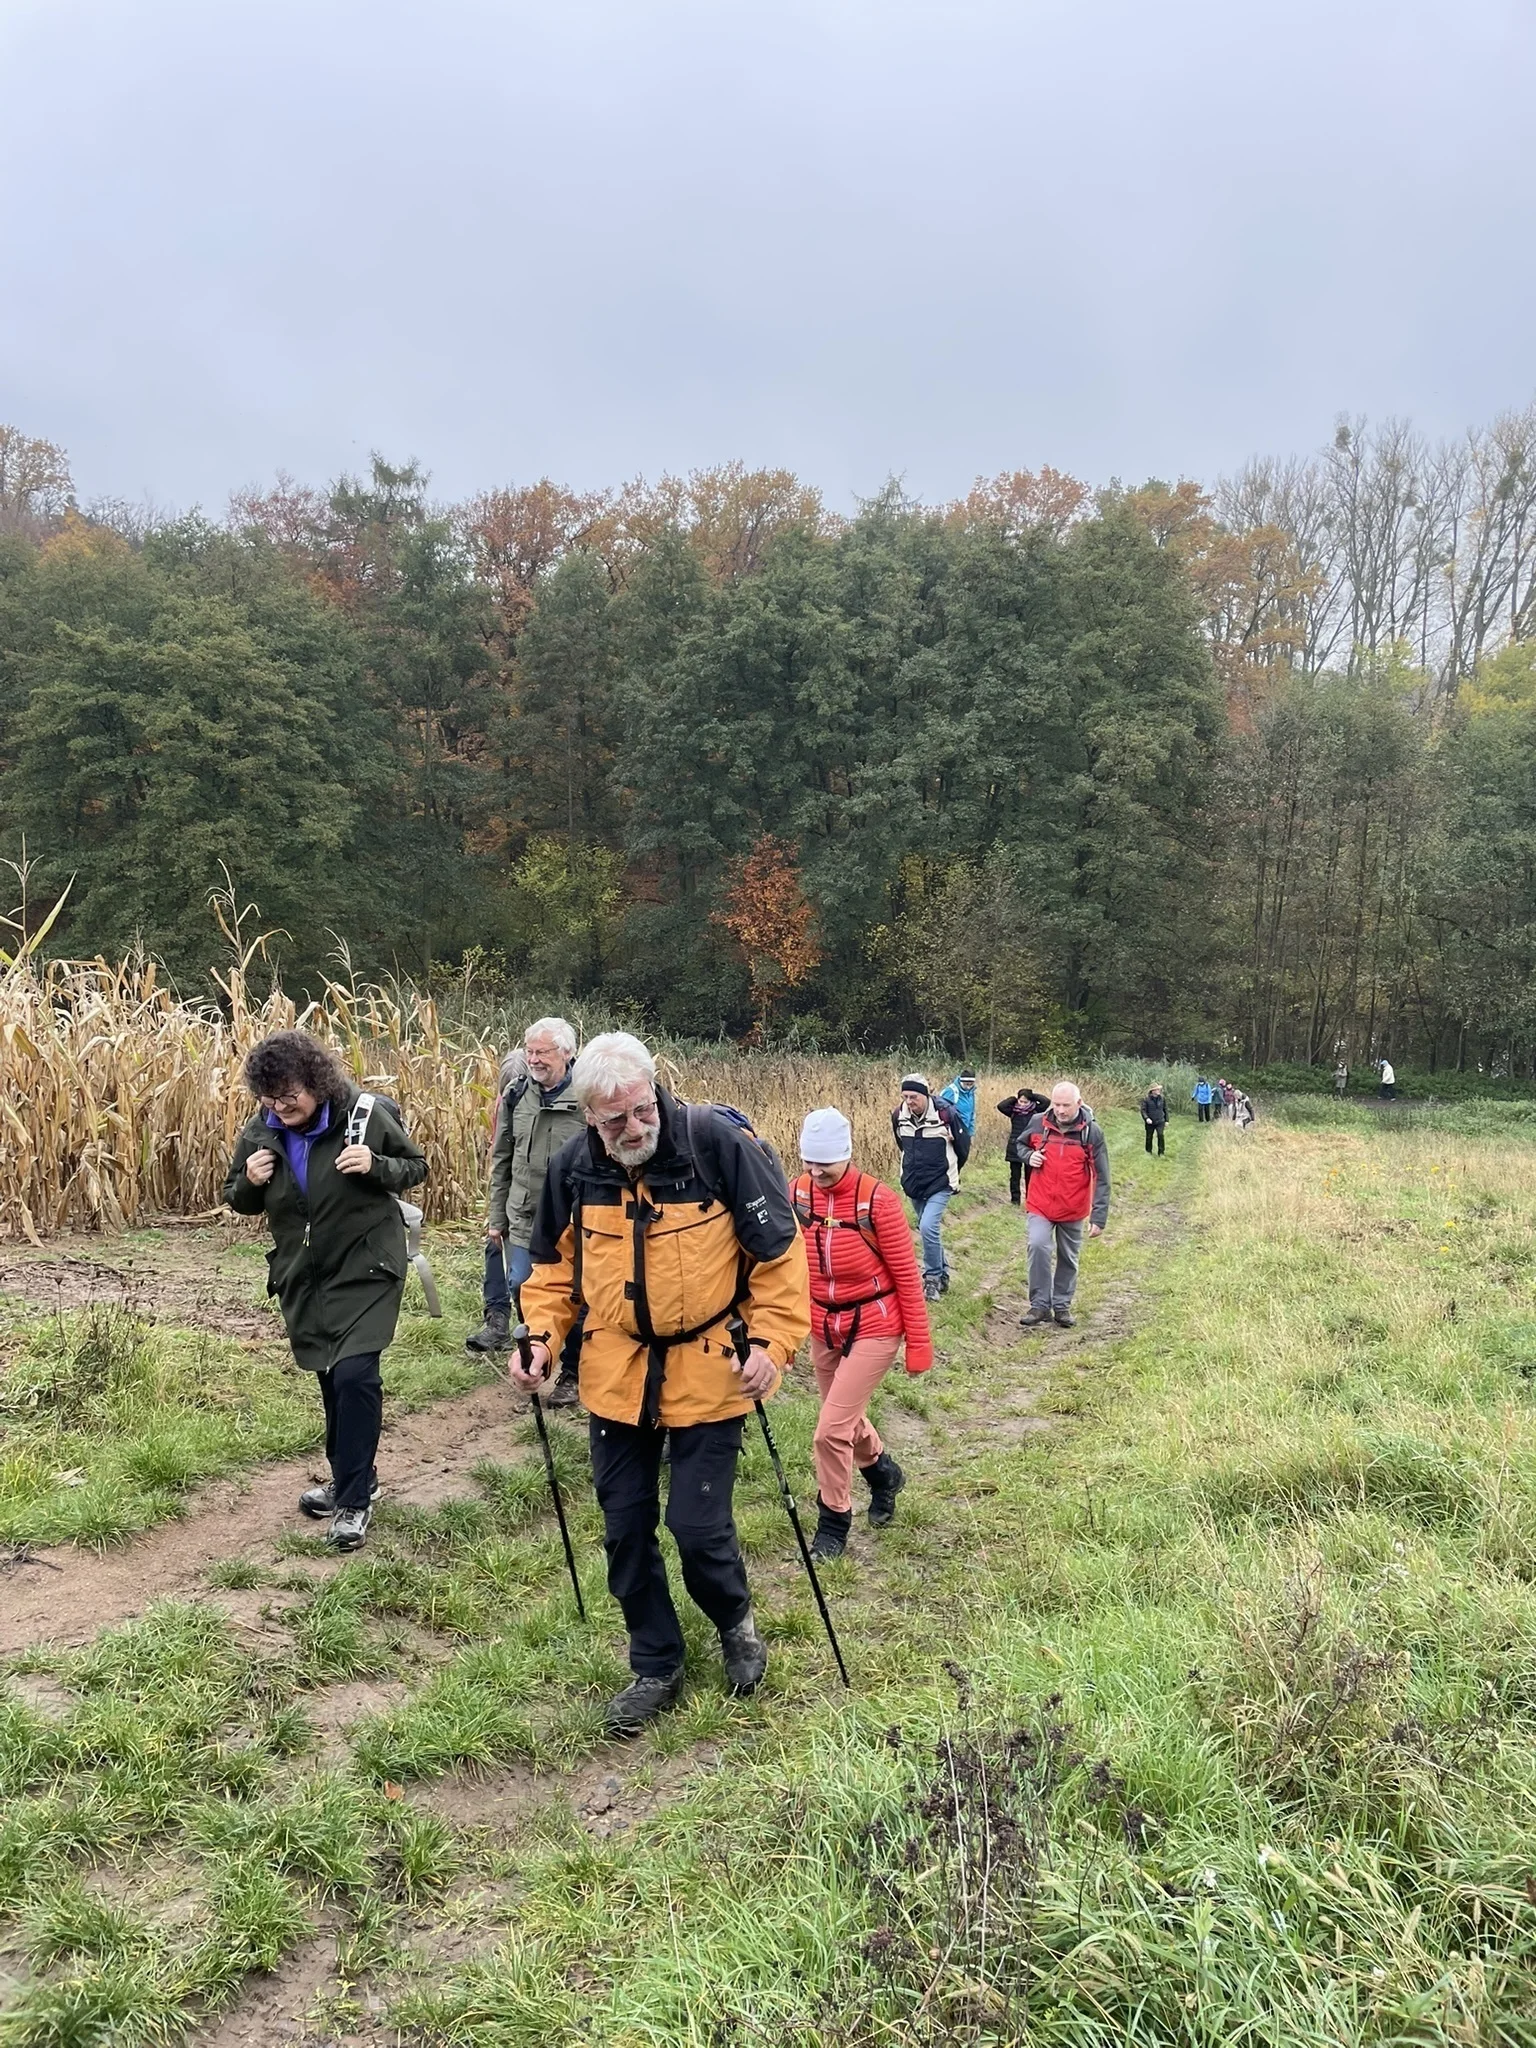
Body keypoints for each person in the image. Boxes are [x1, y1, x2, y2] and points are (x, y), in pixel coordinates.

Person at [511, 1032, 810, 1735]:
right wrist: (541, 1340)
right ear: (588, 1117)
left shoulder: (717, 1147)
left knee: (697, 1528)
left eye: (642, 1110)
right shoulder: (574, 1171)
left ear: (655, 1089)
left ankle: (735, 1622)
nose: (634, 1129)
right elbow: (552, 1274)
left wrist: (772, 1343)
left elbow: (779, 1262)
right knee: (624, 1529)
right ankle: (656, 1660)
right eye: (614, 1121)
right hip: (615, 1372)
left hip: (712, 1367)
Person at [223, 1029, 428, 1552]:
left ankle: (354, 1502)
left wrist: (375, 1166)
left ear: (316, 1083)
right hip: (304, 1275)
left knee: (357, 1374)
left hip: (366, 1268)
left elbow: (417, 1167)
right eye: (269, 1098)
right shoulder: (260, 1132)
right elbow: (238, 1199)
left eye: (290, 1095)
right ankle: (352, 1475)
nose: (279, 1107)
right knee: (331, 1378)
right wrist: (250, 1178)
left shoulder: (362, 1115)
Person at [791, 1107, 933, 1561]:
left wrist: (919, 1345)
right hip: (821, 1323)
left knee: (829, 1431)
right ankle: (883, 1474)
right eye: (809, 1162)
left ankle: (833, 1522)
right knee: (843, 1420)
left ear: (846, 1155)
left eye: (825, 1164)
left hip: (874, 1323)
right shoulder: (795, 1194)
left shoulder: (878, 1201)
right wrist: (783, 1334)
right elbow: (785, 1269)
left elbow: (908, 1276)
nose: (816, 1172)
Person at [466, 1018, 585, 1406]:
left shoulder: (587, 1097)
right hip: (523, 1215)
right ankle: (536, 1360)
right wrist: (496, 1217)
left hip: (575, 1219)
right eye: (529, 1052)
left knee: (580, 1296)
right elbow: (501, 1159)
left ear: (566, 1053)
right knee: (522, 1286)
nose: (533, 1059)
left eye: (542, 1053)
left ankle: (573, 1372)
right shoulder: (517, 1095)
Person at [1017, 1081, 1110, 1331]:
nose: (1059, 1110)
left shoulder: (1091, 1132)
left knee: (1068, 1257)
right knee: (1037, 1246)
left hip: (1073, 1207)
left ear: (1078, 1104)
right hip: (1040, 1202)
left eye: (1065, 1105)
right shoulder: (1038, 1122)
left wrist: (1098, 1217)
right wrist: (1029, 1156)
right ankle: (1039, 1306)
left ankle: (1061, 1307)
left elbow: (1102, 1176)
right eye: (1056, 1104)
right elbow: (1020, 1145)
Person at [891, 1074, 970, 1300]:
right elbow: (902, 1146)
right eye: (905, 1096)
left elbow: (963, 1148)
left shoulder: (946, 1114)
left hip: (941, 1182)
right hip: (914, 1182)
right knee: (929, 1231)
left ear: (925, 1094)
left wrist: (952, 1172)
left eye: (913, 1096)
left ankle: (932, 1279)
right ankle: (944, 1274)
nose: (909, 1101)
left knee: (926, 1227)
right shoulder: (899, 1116)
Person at [998, 1085, 1051, 1204]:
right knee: (1015, 1175)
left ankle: (1030, 1199)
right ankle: (1015, 1200)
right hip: (1014, 1146)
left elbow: (1046, 1101)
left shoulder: (1035, 1111)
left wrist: (1032, 1095)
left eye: (1025, 1102)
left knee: (1030, 1175)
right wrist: (1013, 1098)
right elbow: (1001, 1106)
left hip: (1030, 1147)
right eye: (1020, 1101)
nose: (1022, 1104)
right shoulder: (1013, 1111)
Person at [937, 1066, 979, 1138]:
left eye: (971, 1084)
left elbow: (971, 1114)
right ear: (961, 1081)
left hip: (964, 1132)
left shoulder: (971, 1093)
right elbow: (942, 1113)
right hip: (952, 1133)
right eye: (966, 1084)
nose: (968, 1087)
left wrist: (970, 1133)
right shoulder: (951, 1092)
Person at [1140, 1082, 1168, 1155]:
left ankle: (1161, 1152)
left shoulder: (1162, 1098)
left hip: (1160, 1120)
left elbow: (1165, 1109)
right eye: (1157, 1089)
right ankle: (1148, 1151)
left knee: (1160, 1135)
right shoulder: (1146, 1099)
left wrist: (1166, 1120)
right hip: (1150, 1121)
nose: (1159, 1091)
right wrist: (1146, 1118)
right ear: (1153, 1091)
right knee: (1149, 1137)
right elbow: (1143, 1110)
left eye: (1159, 1089)